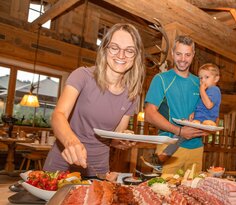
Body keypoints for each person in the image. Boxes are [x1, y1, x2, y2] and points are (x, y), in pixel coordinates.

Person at [43, 23, 145, 176]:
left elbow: (115, 137)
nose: (121, 55)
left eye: (129, 50)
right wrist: (72, 142)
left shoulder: (132, 94)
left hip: (98, 170)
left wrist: (125, 141)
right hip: (62, 163)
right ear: (105, 49)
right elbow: (59, 115)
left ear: (136, 56)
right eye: (114, 47)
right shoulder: (82, 76)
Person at [143, 35, 209, 177]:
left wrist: (208, 127)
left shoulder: (199, 82)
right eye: (178, 54)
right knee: (163, 192)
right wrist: (179, 131)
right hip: (169, 146)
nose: (183, 59)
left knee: (193, 194)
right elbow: (149, 114)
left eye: (187, 55)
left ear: (193, 56)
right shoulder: (161, 79)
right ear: (172, 54)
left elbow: (208, 111)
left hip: (197, 148)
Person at [143, 63, 221, 170]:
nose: (203, 81)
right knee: (180, 136)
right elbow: (201, 105)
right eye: (201, 78)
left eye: (206, 77)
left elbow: (209, 105)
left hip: (197, 143)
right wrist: (194, 113)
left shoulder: (213, 90)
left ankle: (163, 157)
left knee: (180, 136)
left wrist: (201, 90)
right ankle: (163, 157)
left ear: (216, 78)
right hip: (181, 132)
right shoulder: (162, 78)